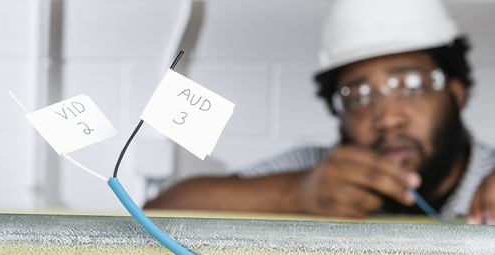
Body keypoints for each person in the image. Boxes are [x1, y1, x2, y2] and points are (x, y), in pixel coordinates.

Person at [144, 0, 495, 225]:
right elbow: (158, 213)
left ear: (455, 93)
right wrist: (296, 195)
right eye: (357, 97)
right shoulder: (314, 171)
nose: (387, 117)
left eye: (412, 87)